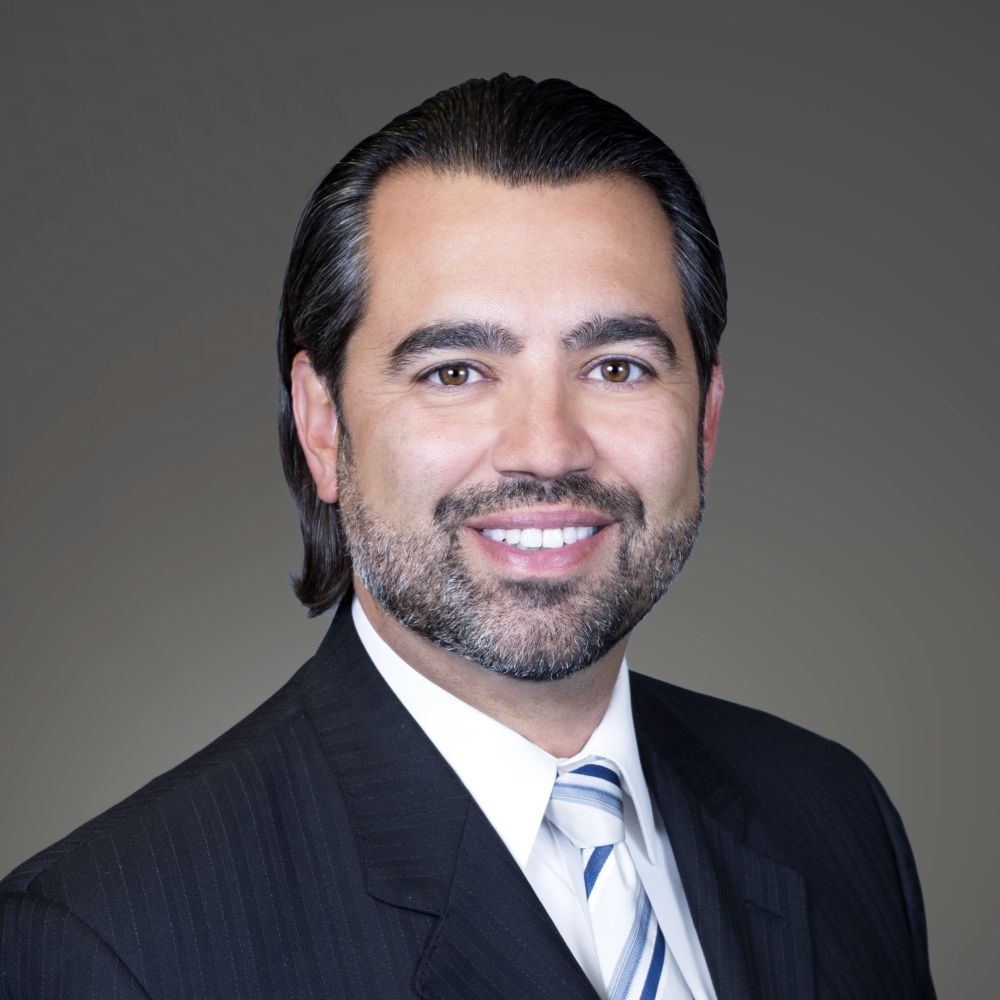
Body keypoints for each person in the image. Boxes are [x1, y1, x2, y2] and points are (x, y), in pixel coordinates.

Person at [0, 74, 935, 999]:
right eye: (455, 372)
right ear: (323, 427)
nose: (546, 450)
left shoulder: (834, 815)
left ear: (707, 418)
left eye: (616, 367)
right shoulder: (107, 945)